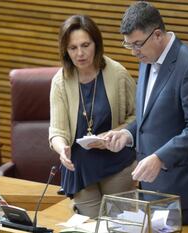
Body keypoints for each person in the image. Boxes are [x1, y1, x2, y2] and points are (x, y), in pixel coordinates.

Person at [104, 2, 188, 225]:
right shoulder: (147, 58)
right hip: (154, 190)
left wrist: (160, 158)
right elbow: (152, 115)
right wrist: (127, 134)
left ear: (157, 34)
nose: (134, 52)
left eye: (137, 44)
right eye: (128, 45)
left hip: (186, 193)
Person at [49, 14, 137, 218]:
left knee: (120, 226)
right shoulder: (59, 82)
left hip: (117, 163)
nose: (80, 53)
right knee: (90, 226)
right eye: (73, 48)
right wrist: (62, 149)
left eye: (85, 45)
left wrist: (114, 134)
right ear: (66, 51)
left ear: (96, 44)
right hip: (80, 168)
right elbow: (57, 131)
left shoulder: (118, 74)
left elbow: (138, 118)